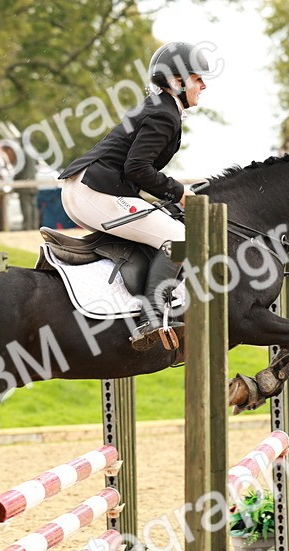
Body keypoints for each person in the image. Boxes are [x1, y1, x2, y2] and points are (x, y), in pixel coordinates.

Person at [57, 41, 210, 348]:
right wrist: (180, 193)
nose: (203, 85)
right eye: (197, 78)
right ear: (176, 81)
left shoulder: (160, 107)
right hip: (95, 192)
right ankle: (151, 316)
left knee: (162, 226)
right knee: (182, 240)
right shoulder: (165, 114)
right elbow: (137, 168)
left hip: (89, 189)